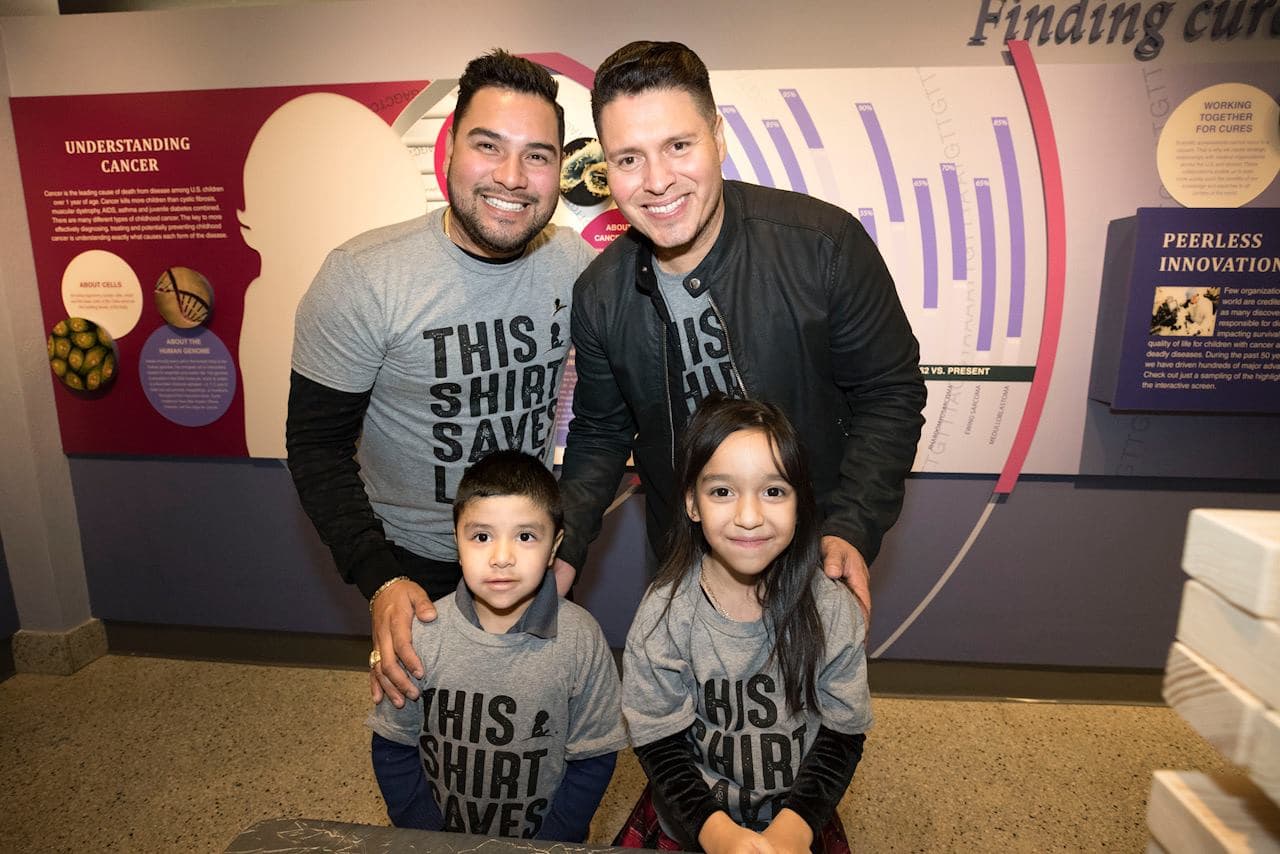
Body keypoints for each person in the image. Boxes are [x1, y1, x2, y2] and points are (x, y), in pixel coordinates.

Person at [555, 41, 927, 630]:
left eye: (678, 146)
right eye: (628, 159)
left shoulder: (824, 246)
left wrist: (851, 527)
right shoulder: (600, 294)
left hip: (811, 557)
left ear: (718, 137)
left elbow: (890, 394)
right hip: (684, 568)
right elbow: (601, 432)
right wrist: (564, 544)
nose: (657, 181)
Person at [287, 50, 595, 706]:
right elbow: (316, 446)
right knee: (423, 740)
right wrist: (379, 578)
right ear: (450, 147)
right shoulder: (364, 277)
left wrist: (567, 546)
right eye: (489, 145)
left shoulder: (575, 265)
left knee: (540, 729)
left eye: (537, 155)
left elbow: (609, 414)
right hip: (413, 568)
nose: (512, 176)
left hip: (531, 555)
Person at [616, 396, 870, 854]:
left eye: (773, 491)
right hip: (692, 822)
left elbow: (842, 735)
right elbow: (660, 744)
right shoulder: (663, 617)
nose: (749, 517)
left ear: (800, 502)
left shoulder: (832, 609)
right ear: (692, 503)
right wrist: (717, 833)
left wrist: (793, 830)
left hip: (800, 820)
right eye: (722, 492)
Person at [367, 450, 627, 841]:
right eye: (481, 536)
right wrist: (426, 833)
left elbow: (593, 757)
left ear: (554, 547)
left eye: (525, 536)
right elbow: (393, 746)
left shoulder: (581, 641)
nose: (501, 558)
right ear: (457, 541)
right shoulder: (421, 635)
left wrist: (552, 841)